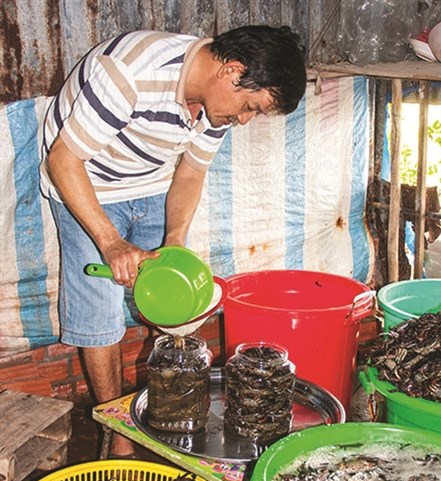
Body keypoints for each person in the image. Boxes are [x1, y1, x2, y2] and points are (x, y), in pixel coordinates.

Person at [40, 25, 307, 457]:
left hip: (151, 181)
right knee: (101, 312)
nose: (243, 119)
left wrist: (175, 240)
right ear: (232, 71)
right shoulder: (130, 72)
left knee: (167, 294)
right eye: (250, 107)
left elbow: (190, 174)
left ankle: (165, 411)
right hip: (84, 180)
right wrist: (110, 242)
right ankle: (118, 433)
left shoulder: (215, 104)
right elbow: (63, 160)